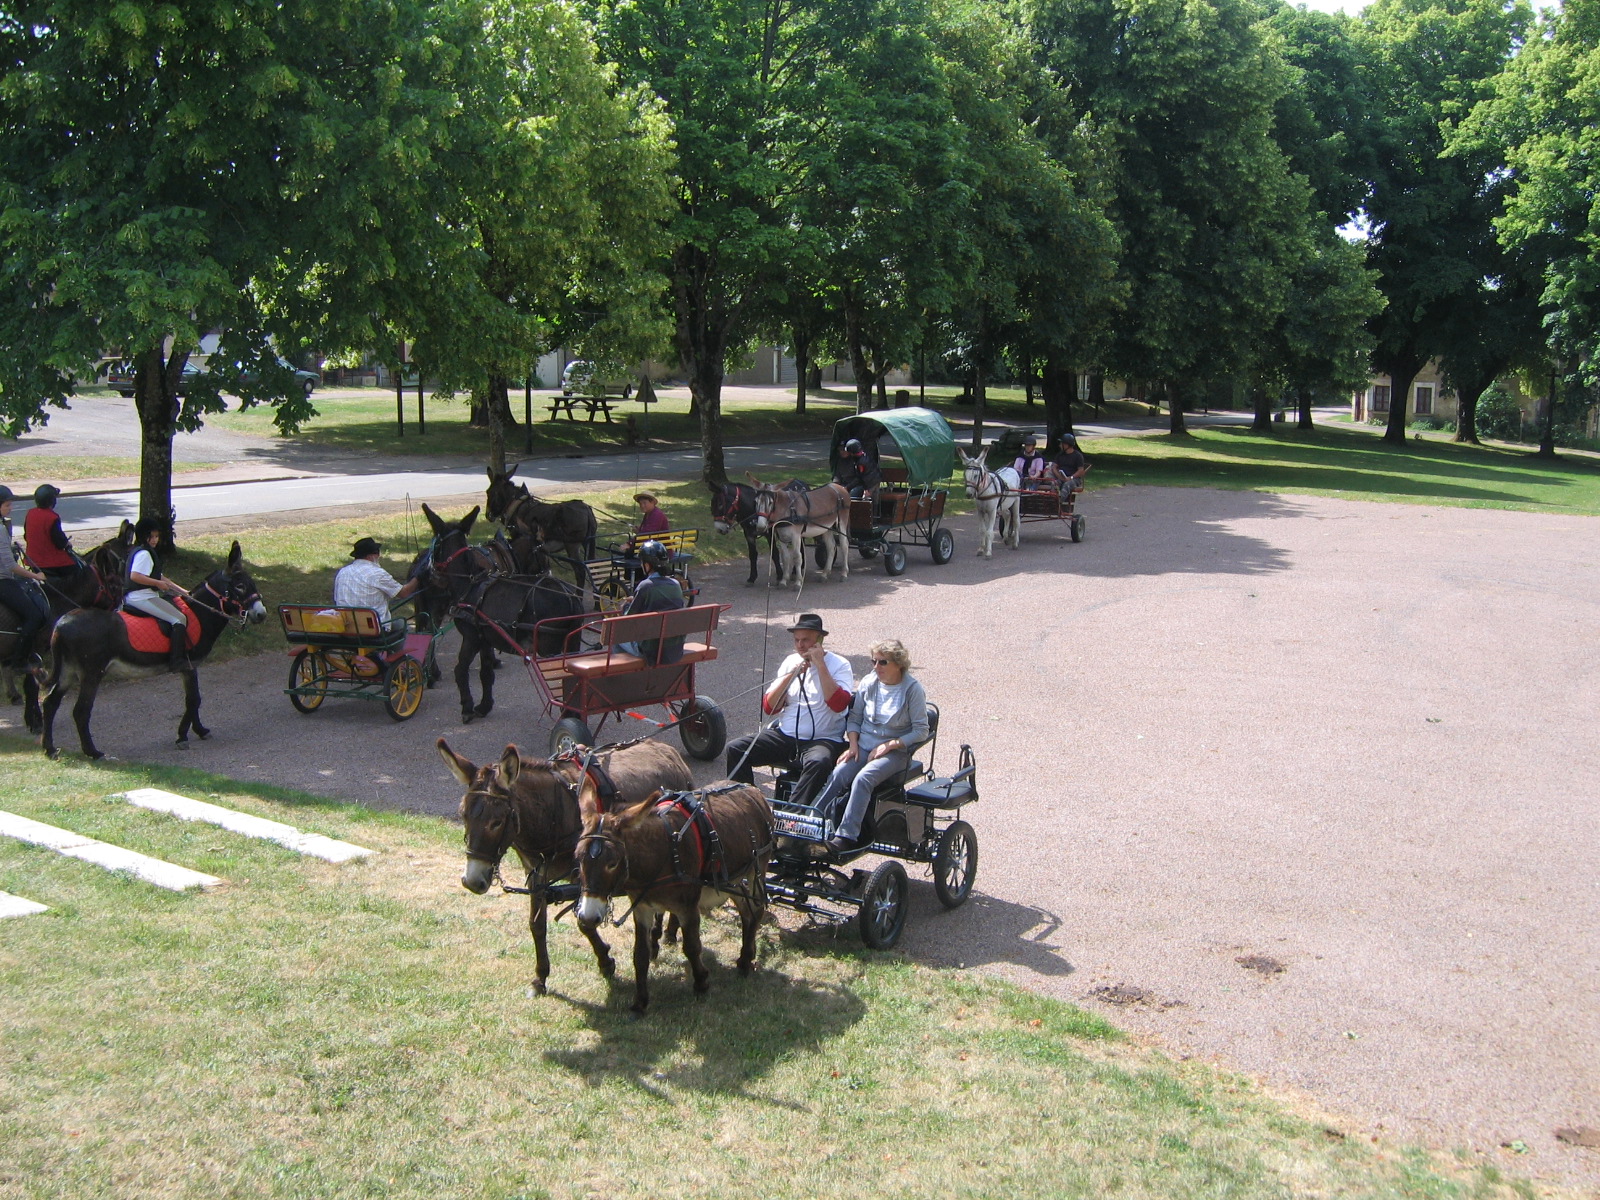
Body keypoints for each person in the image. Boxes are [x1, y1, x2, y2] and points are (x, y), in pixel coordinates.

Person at [725, 614, 856, 807]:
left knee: (819, 762)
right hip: (786, 737)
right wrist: (789, 677)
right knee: (736, 749)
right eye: (797, 640)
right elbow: (770, 707)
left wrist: (820, 665)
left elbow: (838, 704)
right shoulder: (790, 661)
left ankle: (791, 816)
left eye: (806, 640)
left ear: (819, 640)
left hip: (822, 740)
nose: (800, 645)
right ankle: (748, 808)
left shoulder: (840, 665)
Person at [814, 638, 929, 856]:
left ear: (898, 664)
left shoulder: (912, 690)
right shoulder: (869, 682)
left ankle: (846, 836)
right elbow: (855, 718)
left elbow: (921, 730)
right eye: (873, 662)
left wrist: (891, 744)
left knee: (863, 778)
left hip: (895, 753)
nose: (876, 667)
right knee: (839, 773)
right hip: (864, 745)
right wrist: (853, 745)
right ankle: (812, 820)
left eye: (882, 662)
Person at [124, 516, 191, 673]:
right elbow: (135, 576)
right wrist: (157, 585)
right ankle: (176, 661)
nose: (154, 540)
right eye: (151, 536)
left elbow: (159, 576)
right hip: (141, 597)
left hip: (143, 594)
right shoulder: (144, 554)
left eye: (157, 536)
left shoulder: (143, 551)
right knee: (179, 619)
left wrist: (182, 591)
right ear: (143, 536)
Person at [0, 486, 51, 669]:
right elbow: (10, 566)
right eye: (7, 505)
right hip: (2, 581)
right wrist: (35, 575)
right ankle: (20, 661)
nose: (10, 508)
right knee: (34, 615)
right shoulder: (0, 530)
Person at [332, 536, 424, 635]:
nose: (379, 556)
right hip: (372, 631)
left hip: (346, 627)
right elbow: (404, 593)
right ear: (371, 556)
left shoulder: (343, 572)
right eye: (378, 553)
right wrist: (418, 577)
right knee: (401, 624)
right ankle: (393, 651)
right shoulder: (377, 573)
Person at [617, 540, 685, 664]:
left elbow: (627, 621)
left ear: (647, 565)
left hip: (652, 650)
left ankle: (622, 680)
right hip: (675, 649)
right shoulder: (676, 585)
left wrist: (626, 606)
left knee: (616, 638)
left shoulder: (645, 586)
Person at [23, 484, 81, 580]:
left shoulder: (30, 513)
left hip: (32, 560)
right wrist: (67, 543)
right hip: (50, 562)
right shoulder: (52, 517)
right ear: (52, 501)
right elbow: (60, 543)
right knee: (79, 570)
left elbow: (26, 536)